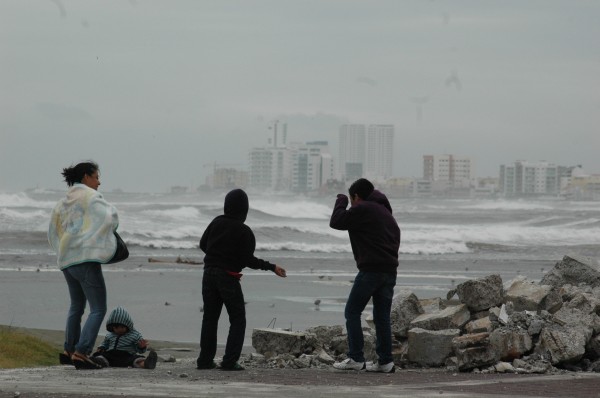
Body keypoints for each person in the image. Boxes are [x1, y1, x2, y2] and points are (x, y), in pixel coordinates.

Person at [196, 188, 287, 371]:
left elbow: (203, 244)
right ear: (244, 210)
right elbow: (248, 260)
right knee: (237, 319)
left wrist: (217, 257)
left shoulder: (216, 222)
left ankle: (205, 361)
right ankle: (229, 361)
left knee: (210, 318)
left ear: (226, 206)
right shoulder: (244, 231)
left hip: (208, 274)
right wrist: (271, 267)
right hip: (227, 277)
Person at [49, 161, 120, 370]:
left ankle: (69, 350)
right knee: (98, 308)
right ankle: (82, 352)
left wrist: (62, 250)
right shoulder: (90, 197)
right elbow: (109, 217)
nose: (99, 182)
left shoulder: (63, 202)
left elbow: (54, 229)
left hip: (66, 260)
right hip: (85, 259)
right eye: (96, 177)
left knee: (76, 306)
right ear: (86, 177)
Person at [329, 178, 400, 373]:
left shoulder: (364, 208)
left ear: (357, 197)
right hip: (389, 270)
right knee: (382, 317)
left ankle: (356, 358)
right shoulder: (385, 212)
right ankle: (386, 362)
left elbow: (336, 221)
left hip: (371, 270)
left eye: (352, 201)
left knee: (352, 311)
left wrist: (341, 200)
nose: (351, 206)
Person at [92, 307, 158, 370]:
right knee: (101, 357)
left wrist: (141, 347)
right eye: (116, 328)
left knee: (136, 360)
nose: (119, 330)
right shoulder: (110, 335)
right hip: (111, 356)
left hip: (126, 357)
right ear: (112, 327)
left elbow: (140, 350)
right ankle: (91, 362)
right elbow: (105, 343)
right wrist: (101, 348)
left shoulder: (135, 335)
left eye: (122, 327)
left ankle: (147, 363)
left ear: (127, 325)